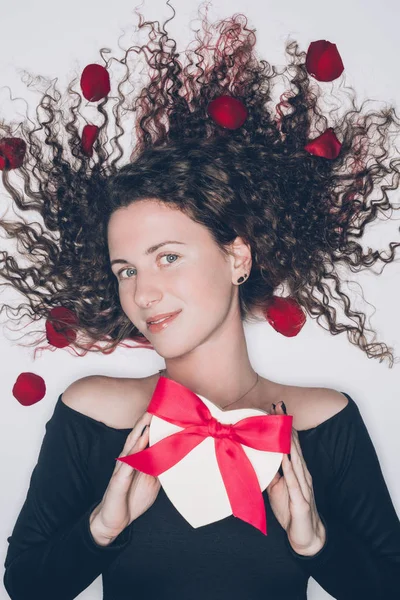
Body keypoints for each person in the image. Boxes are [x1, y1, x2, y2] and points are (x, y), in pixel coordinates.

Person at [2, 3, 400, 599]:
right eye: (125, 270)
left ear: (237, 258)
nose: (143, 291)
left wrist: (315, 541)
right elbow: (29, 586)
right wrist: (102, 527)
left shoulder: (324, 420)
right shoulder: (93, 412)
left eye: (168, 257)